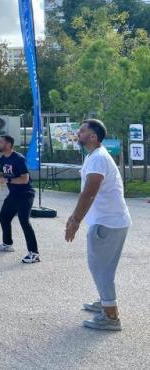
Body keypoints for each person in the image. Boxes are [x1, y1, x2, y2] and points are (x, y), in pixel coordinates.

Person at [64, 119, 131, 331]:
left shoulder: (98, 159)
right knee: (103, 266)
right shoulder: (95, 156)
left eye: (82, 131)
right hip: (111, 220)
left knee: (100, 267)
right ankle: (105, 301)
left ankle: (111, 316)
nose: (78, 133)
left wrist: (75, 220)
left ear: (92, 137)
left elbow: (89, 192)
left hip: (107, 223)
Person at [0, 135, 40, 264]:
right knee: (4, 216)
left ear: (9, 144)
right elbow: (4, 173)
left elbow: (25, 179)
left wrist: (7, 180)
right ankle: (7, 244)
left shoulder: (18, 158)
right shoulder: (3, 158)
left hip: (25, 194)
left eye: (1, 142)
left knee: (24, 221)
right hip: (14, 194)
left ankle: (34, 253)